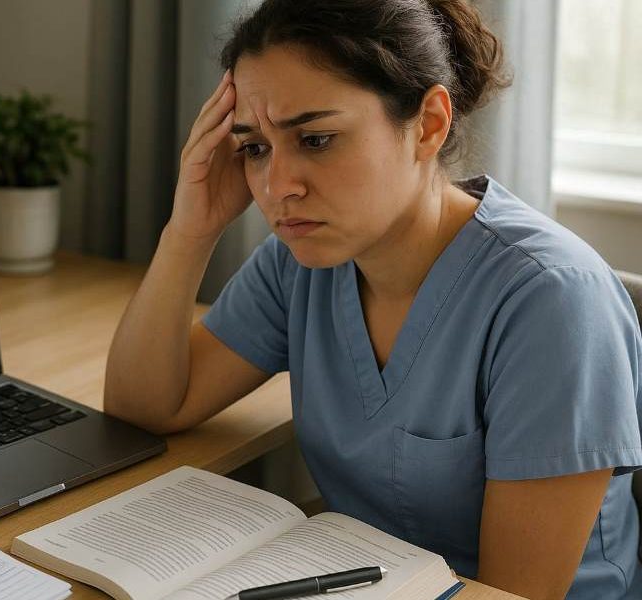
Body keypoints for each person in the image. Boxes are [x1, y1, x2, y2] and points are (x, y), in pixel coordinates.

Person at [103, 0, 642, 598]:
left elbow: (513, 596)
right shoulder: (303, 263)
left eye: (316, 138)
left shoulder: (552, 303)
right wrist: (191, 229)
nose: (279, 186)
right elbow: (147, 405)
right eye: (255, 147)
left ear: (429, 125)